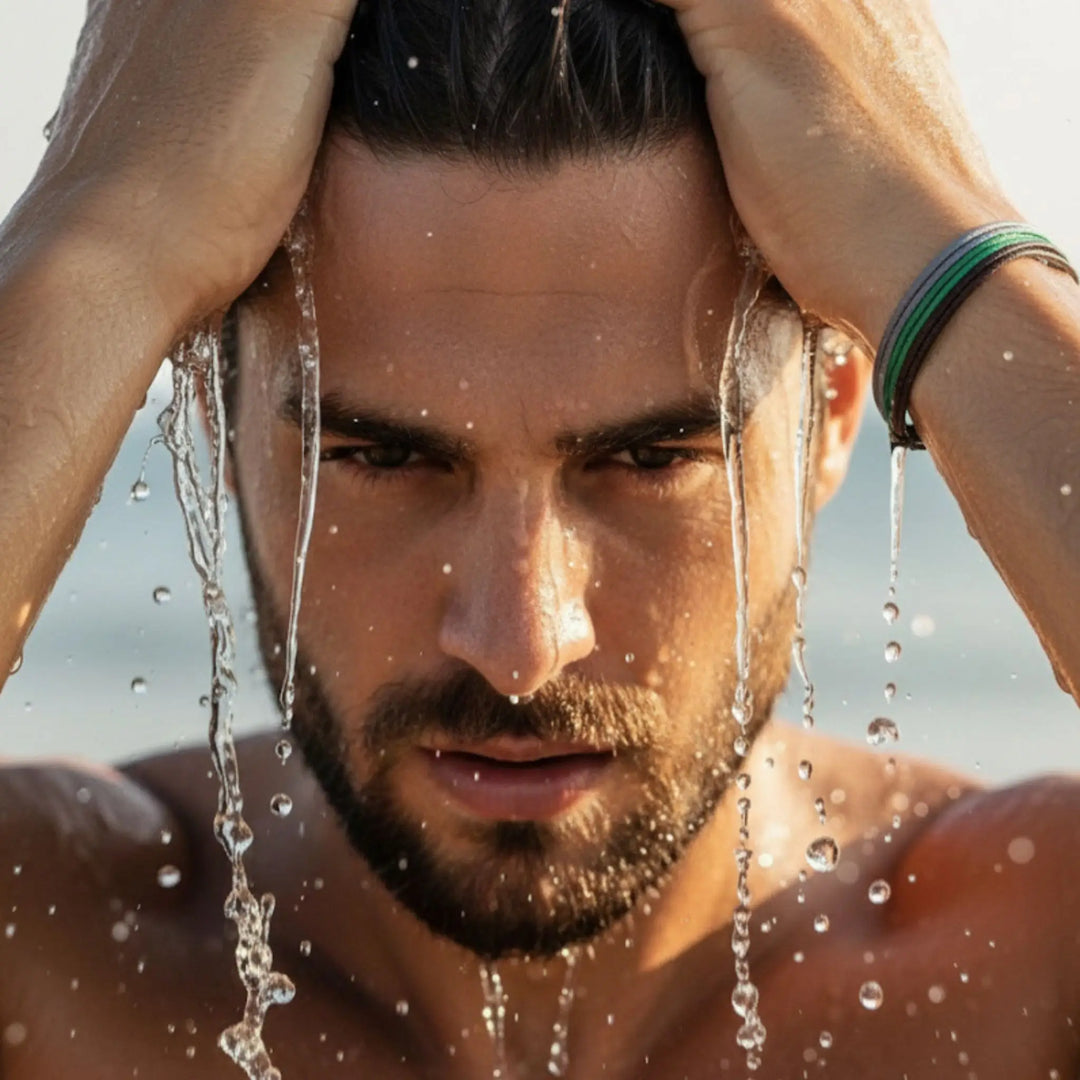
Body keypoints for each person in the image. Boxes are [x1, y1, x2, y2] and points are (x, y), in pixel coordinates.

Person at [0, 0, 1077, 1076]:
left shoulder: (1030, 963)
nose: (520, 646)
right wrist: (105, 240)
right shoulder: (50, 945)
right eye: (384, 457)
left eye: (650, 459)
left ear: (834, 416)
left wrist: (935, 239)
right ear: (214, 415)